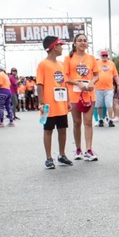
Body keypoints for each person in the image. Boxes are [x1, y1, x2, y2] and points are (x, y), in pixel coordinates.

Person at [36, 36, 73, 169]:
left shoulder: (61, 64)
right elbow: (39, 84)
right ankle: (48, 158)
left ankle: (62, 155)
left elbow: (64, 83)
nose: (62, 48)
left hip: (61, 103)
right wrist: (41, 103)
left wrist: (68, 100)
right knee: (48, 130)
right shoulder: (43, 64)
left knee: (63, 129)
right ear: (54, 47)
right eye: (60, 45)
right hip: (48, 104)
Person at [65, 33, 99, 161]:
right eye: (80, 40)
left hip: (89, 94)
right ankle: (78, 148)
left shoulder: (91, 58)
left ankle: (89, 150)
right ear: (75, 43)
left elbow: (96, 75)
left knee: (88, 121)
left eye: (85, 40)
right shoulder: (69, 58)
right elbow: (65, 77)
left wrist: (92, 82)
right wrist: (77, 83)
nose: (83, 42)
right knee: (77, 122)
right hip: (74, 94)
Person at [95, 50, 119, 127]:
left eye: (106, 56)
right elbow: (93, 74)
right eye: (103, 56)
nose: (104, 57)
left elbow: (115, 75)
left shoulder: (111, 64)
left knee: (109, 104)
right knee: (99, 105)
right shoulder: (96, 63)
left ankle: (110, 119)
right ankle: (100, 119)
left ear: (107, 56)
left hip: (109, 88)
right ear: (100, 56)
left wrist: (118, 85)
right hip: (98, 88)